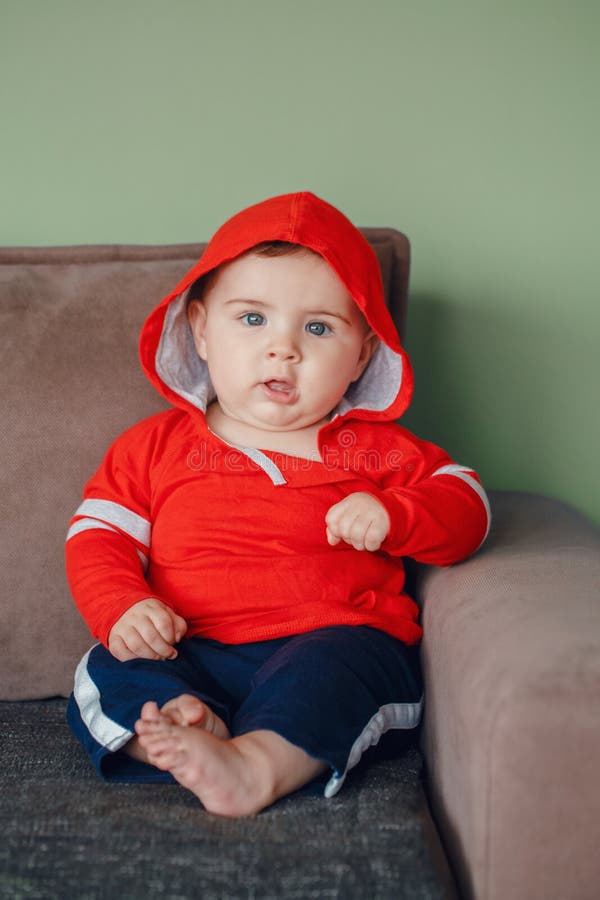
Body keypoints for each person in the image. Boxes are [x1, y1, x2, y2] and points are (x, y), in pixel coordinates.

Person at [66, 191, 490, 817]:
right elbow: (98, 535)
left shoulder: (374, 451)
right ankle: (185, 733)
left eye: (318, 327)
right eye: (253, 319)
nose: (283, 349)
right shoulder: (155, 447)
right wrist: (123, 605)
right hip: (191, 646)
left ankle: (257, 764)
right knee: (110, 665)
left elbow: (469, 508)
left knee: (342, 671)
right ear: (201, 329)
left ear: (362, 355)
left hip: (330, 636)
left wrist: (397, 515)